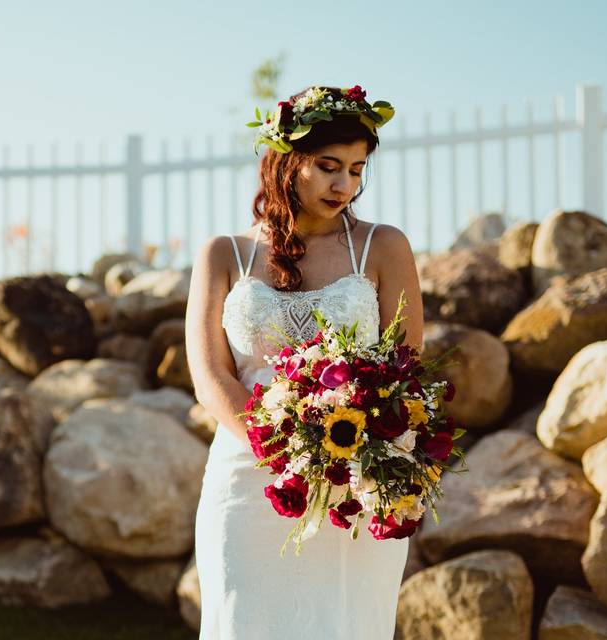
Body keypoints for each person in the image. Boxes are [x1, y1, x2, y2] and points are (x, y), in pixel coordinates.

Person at [184, 84, 424, 639]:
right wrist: (288, 452)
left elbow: (406, 366)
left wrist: (341, 460)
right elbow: (210, 377)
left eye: (358, 170)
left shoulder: (383, 246)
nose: (346, 185)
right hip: (249, 479)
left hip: (355, 481)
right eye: (329, 166)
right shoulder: (224, 253)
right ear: (287, 161)